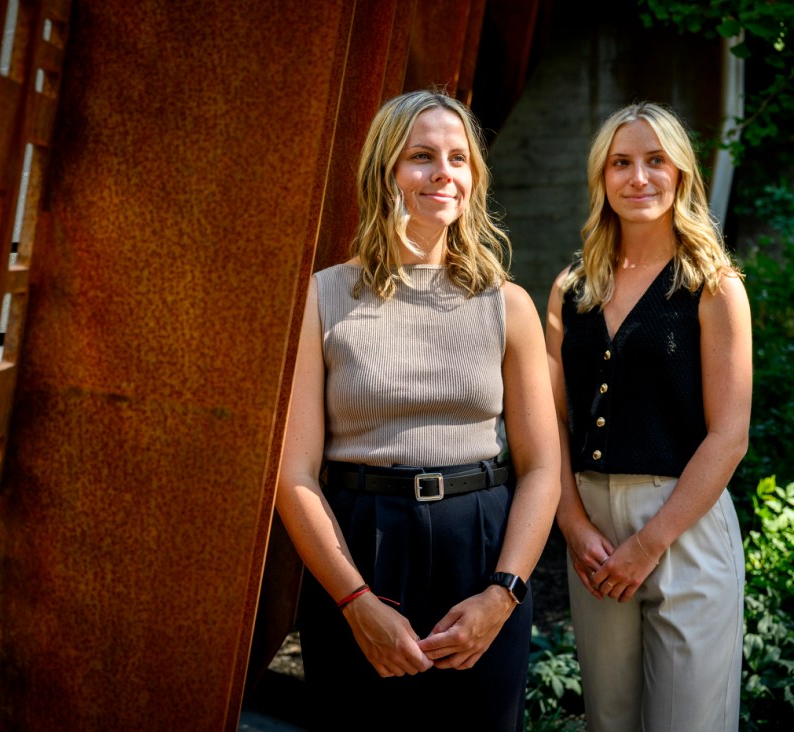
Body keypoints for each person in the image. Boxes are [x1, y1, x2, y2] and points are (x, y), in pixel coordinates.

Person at [276, 89, 560, 732]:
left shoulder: (507, 304)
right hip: (362, 550)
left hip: (483, 551)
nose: (444, 174)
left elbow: (543, 466)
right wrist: (353, 600)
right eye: (422, 156)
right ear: (385, 171)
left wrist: (503, 593)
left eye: (459, 159)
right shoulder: (324, 298)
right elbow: (293, 472)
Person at [545, 102, 752, 731]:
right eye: (621, 163)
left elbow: (729, 437)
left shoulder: (714, 286)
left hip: (684, 525)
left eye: (655, 160)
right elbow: (550, 422)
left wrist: (648, 544)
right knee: (610, 721)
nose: (639, 177)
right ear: (601, 178)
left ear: (682, 173)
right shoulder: (570, 289)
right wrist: (574, 525)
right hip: (593, 536)